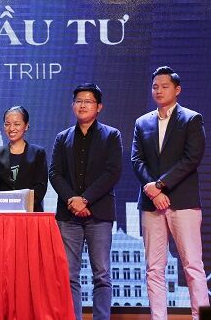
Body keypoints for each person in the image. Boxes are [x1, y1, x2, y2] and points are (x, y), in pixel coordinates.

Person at [131, 66, 209, 320]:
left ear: (177, 90)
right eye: (155, 86)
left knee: (193, 266)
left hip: (183, 202)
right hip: (151, 204)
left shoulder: (191, 119)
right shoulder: (142, 122)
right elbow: (136, 160)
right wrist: (154, 191)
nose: (159, 90)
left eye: (164, 86)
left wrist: (161, 185)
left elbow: (192, 158)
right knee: (154, 268)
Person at [49, 83, 122, 320]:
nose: (82, 105)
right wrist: (72, 200)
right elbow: (55, 173)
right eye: (78, 101)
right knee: (69, 275)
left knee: (102, 274)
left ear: (99, 107)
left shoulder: (111, 135)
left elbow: (112, 172)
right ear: (73, 105)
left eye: (88, 101)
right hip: (68, 214)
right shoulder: (63, 138)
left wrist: (86, 199)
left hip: (99, 213)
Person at [0, 106, 48, 212]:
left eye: (16, 124)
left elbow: (40, 186)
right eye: (7, 124)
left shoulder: (38, 153)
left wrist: (23, 204)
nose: (11, 128)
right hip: (3, 211)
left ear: (26, 126)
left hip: (30, 211)